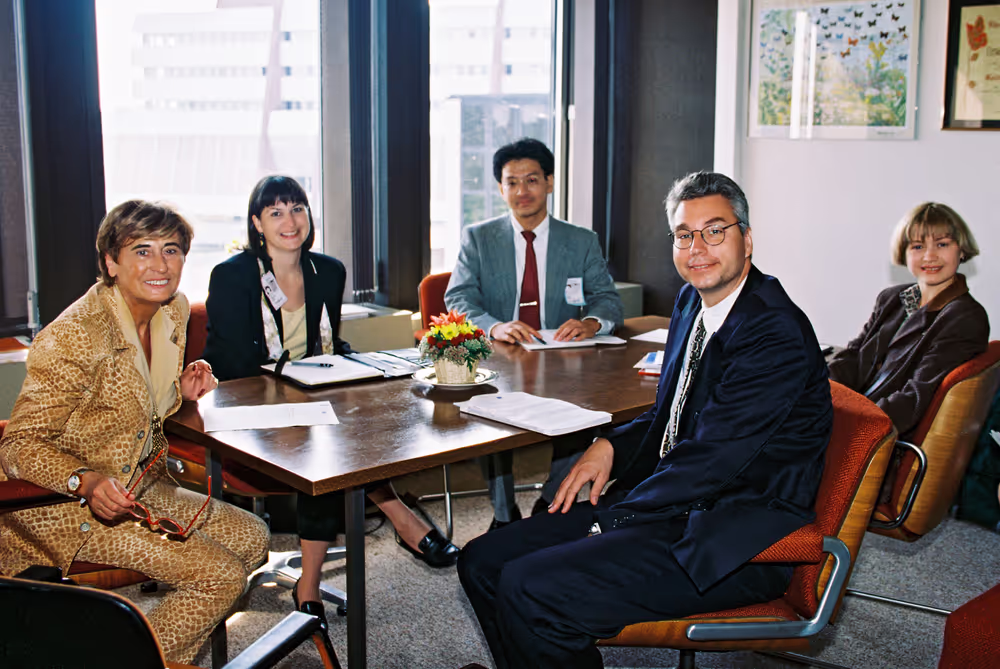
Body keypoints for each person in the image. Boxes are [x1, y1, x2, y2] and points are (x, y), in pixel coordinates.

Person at [457, 171, 833, 669]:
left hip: (729, 537)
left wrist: (614, 518)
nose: (697, 247)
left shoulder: (773, 332)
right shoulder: (691, 303)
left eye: (714, 230)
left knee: (533, 589)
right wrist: (609, 445)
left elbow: (713, 460)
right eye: (684, 235)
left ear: (747, 237)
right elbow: (671, 416)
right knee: (481, 561)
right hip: (672, 506)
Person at [0, 200, 269, 664]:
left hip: (141, 485)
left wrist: (182, 390)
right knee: (220, 577)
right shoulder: (75, 335)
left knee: (253, 537)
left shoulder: (172, 311)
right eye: (142, 251)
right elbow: (18, 446)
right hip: (69, 506)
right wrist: (84, 480)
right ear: (111, 262)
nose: (160, 265)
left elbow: (139, 407)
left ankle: (151, 654)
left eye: (171, 250)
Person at [201, 175, 459, 627]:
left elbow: (325, 344)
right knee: (325, 449)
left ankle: (315, 580)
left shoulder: (328, 270)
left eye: (297, 208)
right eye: (276, 211)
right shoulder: (232, 276)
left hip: (310, 396)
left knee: (372, 419)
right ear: (257, 223)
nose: (290, 220)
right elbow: (233, 359)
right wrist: (300, 379)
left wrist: (361, 365)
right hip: (246, 402)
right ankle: (398, 520)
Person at [445, 138, 625, 530]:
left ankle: (550, 500)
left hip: (562, 361)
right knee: (486, 413)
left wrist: (591, 322)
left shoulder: (580, 240)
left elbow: (608, 300)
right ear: (500, 188)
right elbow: (457, 298)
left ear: (549, 182)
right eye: (512, 182)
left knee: (582, 416)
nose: (522, 191)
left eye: (531, 180)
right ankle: (503, 513)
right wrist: (495, 325)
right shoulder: (478, 237)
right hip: (500, 360)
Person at [828, 202, 988, 438]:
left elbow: (914, 399)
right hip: (853, 417)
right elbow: (854, 357)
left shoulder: (965, 318)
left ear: (961, 250)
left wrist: (845, 419)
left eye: (942, 244)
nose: (929, 256)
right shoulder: (891, 299)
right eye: (917, 246)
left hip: (879, 439)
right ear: (904, 252)